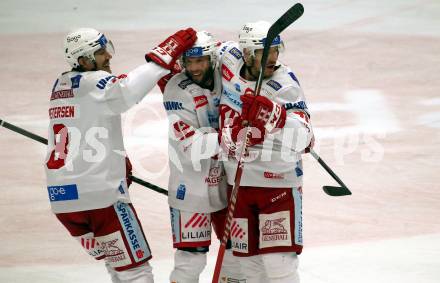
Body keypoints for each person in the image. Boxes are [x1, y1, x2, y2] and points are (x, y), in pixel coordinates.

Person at [44, 27, 196, 283]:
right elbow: (127, 91)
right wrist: (164, 55)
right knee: (135, 271)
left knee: (118, 266)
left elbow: (84, 128)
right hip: (100, 199)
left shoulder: (60, 84)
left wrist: (114, 161)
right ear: (83, 61)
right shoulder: (94, 83)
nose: (108, 57)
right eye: (101, 52)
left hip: (63, 202)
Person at [217, 21, 314, 283]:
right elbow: (202, 53)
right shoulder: (229, 57)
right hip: (239, 186)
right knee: (249, 267)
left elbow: (305, 138)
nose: (274, 57)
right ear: (247, 53)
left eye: (276, 50)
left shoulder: (285, 85)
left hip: (278, 186)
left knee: (279, 266)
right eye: (266, 52)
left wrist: (275, 116)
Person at [162, 31, 243, 283]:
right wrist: (233, 136)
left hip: (225, 182)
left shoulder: (224, 75)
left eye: (201, 61)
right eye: (189, 62)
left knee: (237, 254)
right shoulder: (177, 89)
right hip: (191, 187)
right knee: (191, 259)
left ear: (212, 59)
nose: (195, 68)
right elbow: (192, 145)